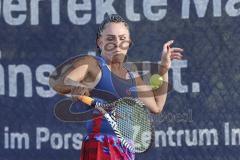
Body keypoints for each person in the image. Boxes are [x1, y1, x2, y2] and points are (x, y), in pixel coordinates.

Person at [49, 14, 183, 160]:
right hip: (99, 148)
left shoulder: (132, 75)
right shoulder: (92, 65)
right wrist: (75, 86)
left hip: (125, 149)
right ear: (100, 42)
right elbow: (58, 82)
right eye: (110, 39)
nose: (117, 43)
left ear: (129, 43)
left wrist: (163, 69)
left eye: (122, 38)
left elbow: (157, 107)